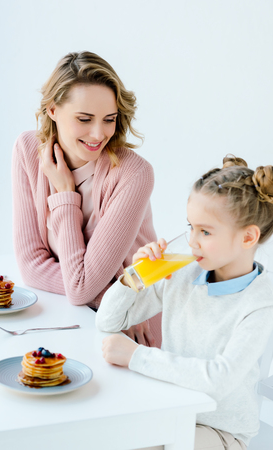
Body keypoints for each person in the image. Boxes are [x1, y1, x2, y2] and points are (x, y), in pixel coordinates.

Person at [96, 155, 273, 449]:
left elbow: (219, 379)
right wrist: (135, 276)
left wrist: (137, 356)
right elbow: (109, 320)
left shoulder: (261, 302)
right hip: (170, 412)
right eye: (190, 226)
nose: (191, 241)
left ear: (248, 237)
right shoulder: (183, 273)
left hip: (219, 430)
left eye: (205, 231)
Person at [12, 51, 161, 347]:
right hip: (85, 312)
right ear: (52, 109)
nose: (98, 134)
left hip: (133, 325)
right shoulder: (28, 150)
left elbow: (79, 287)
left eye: (109, 119)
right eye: (84, 119)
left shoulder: (134, 173)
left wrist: (65, 195)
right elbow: (31, 265)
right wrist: (108, 294)